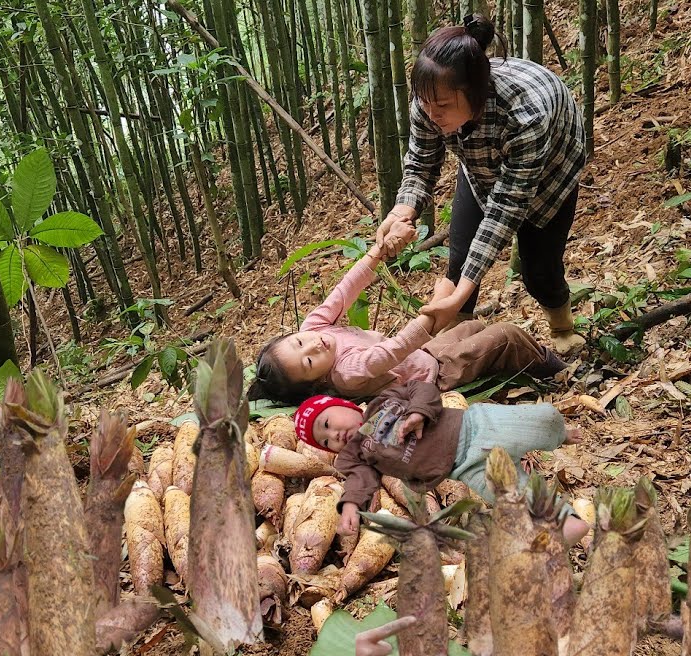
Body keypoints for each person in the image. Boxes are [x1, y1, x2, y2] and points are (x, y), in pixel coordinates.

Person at [375, 14, 588, 357]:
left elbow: (505, 209)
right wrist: (404, 209)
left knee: (539, 271)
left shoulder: (526, 115)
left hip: (549, 171)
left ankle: (562, 325)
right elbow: (421, 161)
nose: (432, 114)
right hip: (479, 163)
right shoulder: (430, 100)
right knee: (458, 265)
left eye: (442, 106)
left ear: (476, 93)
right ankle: (457, 345)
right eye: (425, 104)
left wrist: (457, 293)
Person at [247, 240, 568, 405]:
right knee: (505, 336)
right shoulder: (346, 373)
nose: (314, 346)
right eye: (309, 362)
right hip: (433, 374)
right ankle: (551, 368)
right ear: (316, 382)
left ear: (295, 334)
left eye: (300, 342)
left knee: (472, 327)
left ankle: (507, 364)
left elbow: (343, 292)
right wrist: (429, 316)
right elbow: (392, 351)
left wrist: (375, 254)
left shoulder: (312, 329)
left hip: (425, 352)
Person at [292, 382, 590, 543]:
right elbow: (360, 482)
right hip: (464, 466)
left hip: (475, 425)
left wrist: (418, 413)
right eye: (327, 440)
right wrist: (351, 506)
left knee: (545, 421)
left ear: (342, 405)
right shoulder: (356, 456)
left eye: (329, 422)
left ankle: (560, 435)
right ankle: (563, 522)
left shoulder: (384, 401)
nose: (335, 434)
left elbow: (423, 389)